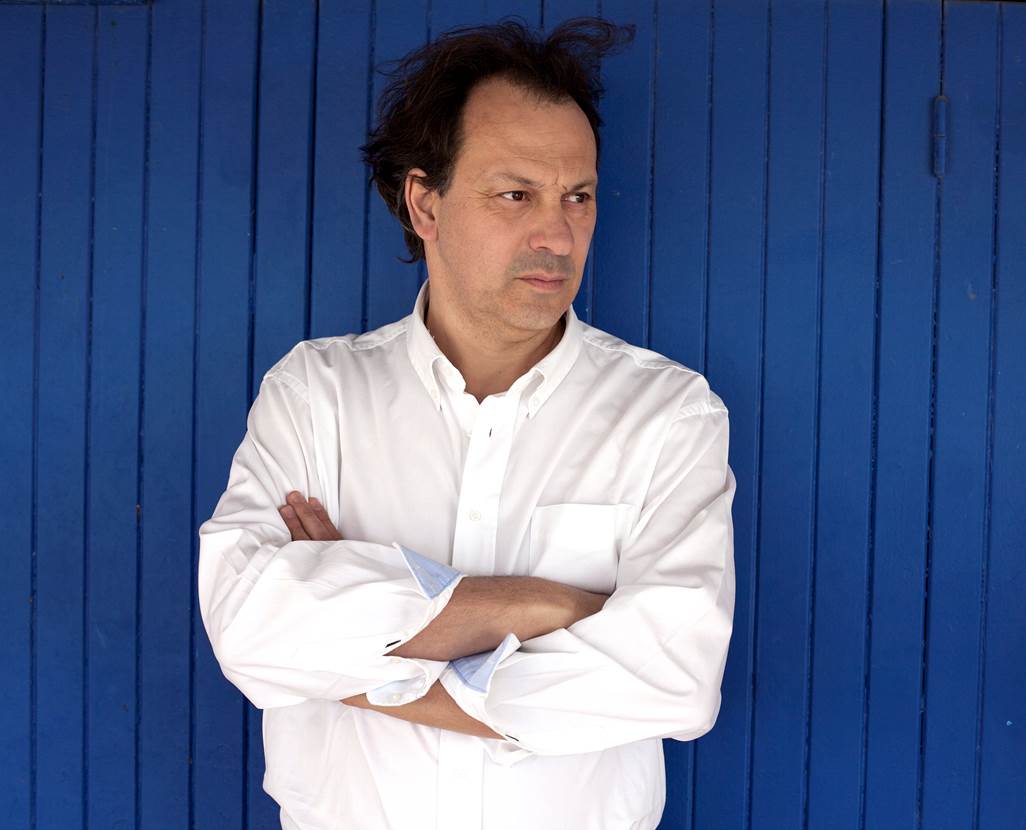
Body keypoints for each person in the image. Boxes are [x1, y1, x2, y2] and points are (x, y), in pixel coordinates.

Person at [197, 17, 736, 830]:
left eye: (578, 196)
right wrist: (542, 605)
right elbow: (248, 627)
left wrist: (352, 651)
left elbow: (676, 680)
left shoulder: (668, 414)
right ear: (426, 203)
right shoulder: (316, 394)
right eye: (515, 194)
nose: (557, 234)